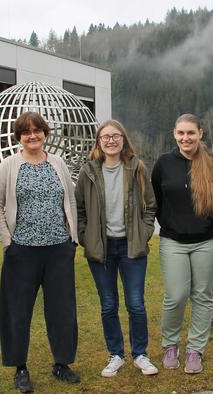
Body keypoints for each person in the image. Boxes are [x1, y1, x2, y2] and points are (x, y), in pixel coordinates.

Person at [0, 111, 79, 394]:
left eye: (37, 130)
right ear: (19, 137)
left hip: (58, 251)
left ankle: (61, 363)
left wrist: (71, 239)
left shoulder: (58, 164)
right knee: (17, 312)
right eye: (26, 132)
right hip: (22, 252)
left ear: (45, 133)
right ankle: (20, 368)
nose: (32, 136)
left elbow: (70, 202)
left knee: (62, 311)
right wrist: (8, 242)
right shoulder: (9, 165)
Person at [75, 120, 158, 378]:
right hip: (101, 248)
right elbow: (79, 210)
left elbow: (151, 205)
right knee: (108, 304)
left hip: (131, 246)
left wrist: (143, 234)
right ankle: (116, 355)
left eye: (116, 136)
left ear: (123, 140)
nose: (111, 140)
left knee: (136, 304)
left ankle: (140, 354)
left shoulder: (137, 168)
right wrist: (86, 238)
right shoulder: (88, 171)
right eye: (105, 136)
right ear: (99, 141)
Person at [151, 114, 213, 374]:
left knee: (202, 297)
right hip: (173, 242)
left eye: (191, 133)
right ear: (174, 134)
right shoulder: (163, 163)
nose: (186, 138)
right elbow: (156, 200)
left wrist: (205, 224)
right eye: (181, 133)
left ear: (200, 133)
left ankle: (195, 350)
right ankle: (170, 345)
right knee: (176, 295)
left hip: (207, 241)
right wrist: (169, 224)